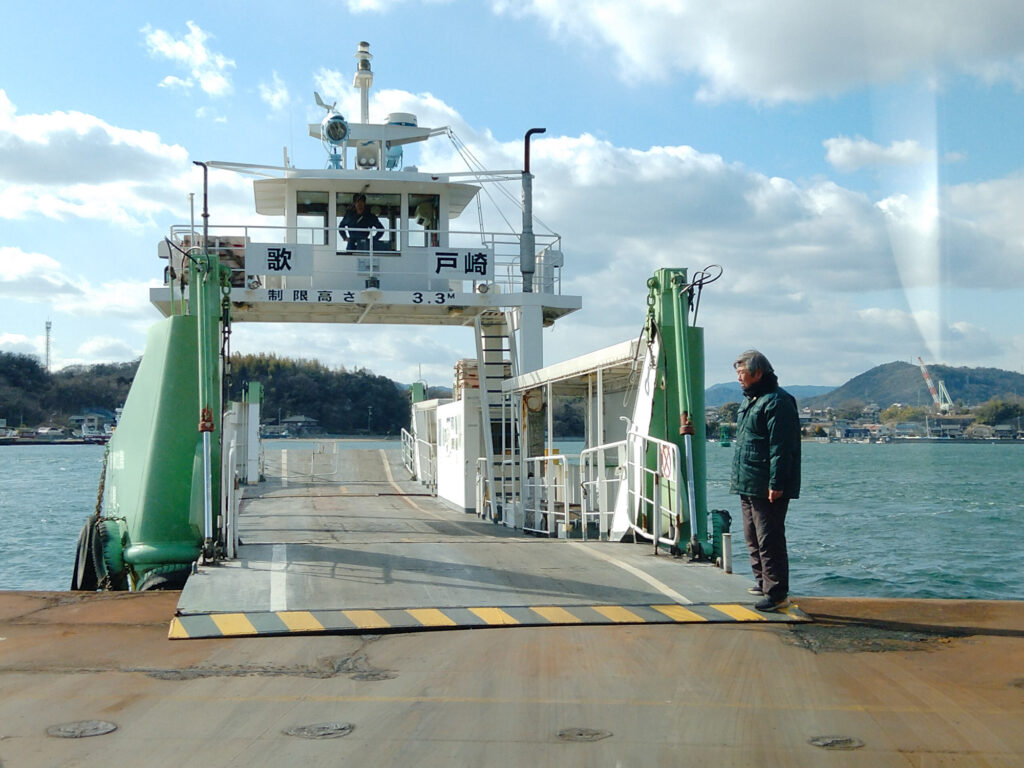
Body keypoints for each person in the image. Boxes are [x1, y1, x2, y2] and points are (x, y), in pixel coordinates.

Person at [730, 349, 801, 612]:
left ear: (758, 373)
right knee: (752, 536)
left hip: (765, 484)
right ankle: (763, 582)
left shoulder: (777, 402)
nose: (739, 378)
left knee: (769, 538)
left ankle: (776, 592)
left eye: (742, 373)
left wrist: (776, 483)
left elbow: (781, 447)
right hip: (748, 481)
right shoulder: (752, 400)